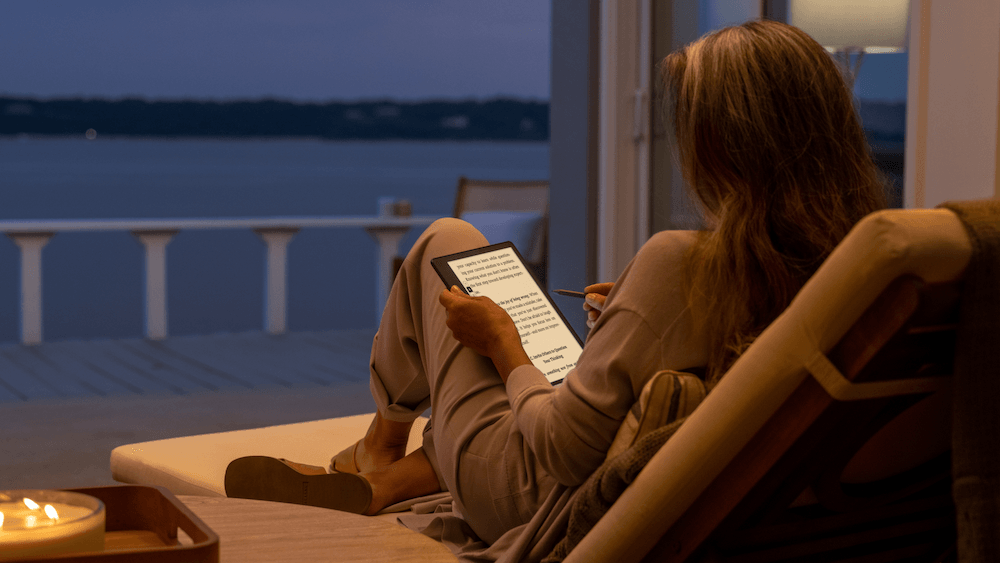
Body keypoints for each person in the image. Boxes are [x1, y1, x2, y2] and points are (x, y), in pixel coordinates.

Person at [225, 18, 887, 553]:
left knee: (446, 242)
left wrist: (506, 343)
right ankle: (392, 477)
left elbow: (564, 453)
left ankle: (382, 439)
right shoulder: (852, 269)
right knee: (511, 345)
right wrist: (626, 331)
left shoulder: (681, 263)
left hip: (531, 490)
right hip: (688, 480)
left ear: (724, 146)